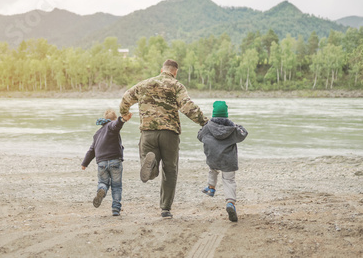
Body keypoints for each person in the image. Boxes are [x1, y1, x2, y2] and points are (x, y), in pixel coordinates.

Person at [120, 59, 208, 219]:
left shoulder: (144, 84)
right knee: (170, 170)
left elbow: (126, 98)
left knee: (150, 166)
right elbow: (187, 106)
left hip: (148, 132)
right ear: (175, 72)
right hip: (169, 133)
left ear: (162, 70)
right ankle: (165, 209)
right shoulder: (176, 85)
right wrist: (204, 122)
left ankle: (151, 167)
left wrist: (124, 113)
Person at [197, 101, 248, 222]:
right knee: (229, 180)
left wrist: (204, 126)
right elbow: (243, 134)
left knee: (213, 170)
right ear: (226, 113)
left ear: (213, 113)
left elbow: (199, 136)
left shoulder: (208, 127)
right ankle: (230, 202)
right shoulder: (232, 128)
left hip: (213, 158)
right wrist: (237, 126)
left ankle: (211, 187)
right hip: (228, 161)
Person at [81, 109, 132, 216]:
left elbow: (92, 150)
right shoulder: (111, 126)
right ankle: (115, 209)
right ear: (113, 119)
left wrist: (84, 163)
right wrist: (122, 119)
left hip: (101, 163)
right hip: (115, 161)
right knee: (116, 186)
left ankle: (102, 190)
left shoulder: (97, 133)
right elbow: (116, 125)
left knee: (103, 182)